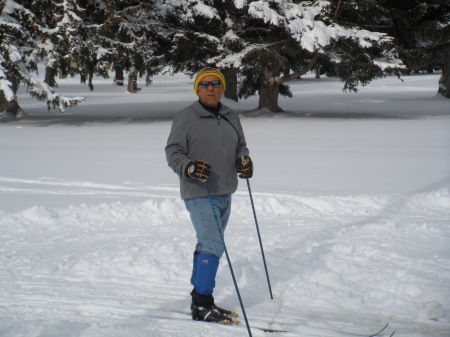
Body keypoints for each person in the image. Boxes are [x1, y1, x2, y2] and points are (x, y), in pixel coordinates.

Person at [165, 68, 253, 323]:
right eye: (205, 84)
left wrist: (243, 160)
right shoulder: (186, 117)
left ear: (222, 88)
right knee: (214, 245)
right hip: (198, 191)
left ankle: (198, 300)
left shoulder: (230, 116)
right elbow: (173, 152)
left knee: (207, 245)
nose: (211, 88)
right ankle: (203, 304)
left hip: (225, 191)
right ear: (198, 89)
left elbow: (241, 146)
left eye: (215, 83)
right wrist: (189, 167)